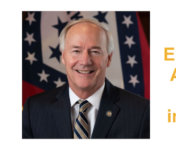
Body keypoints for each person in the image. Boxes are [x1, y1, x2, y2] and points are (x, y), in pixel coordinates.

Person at [22, 18, 150, 139]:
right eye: (76, 51)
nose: (85, 61)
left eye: (95, 51)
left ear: (109, 58)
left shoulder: (141, 112)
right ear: (63, 57)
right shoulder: (34, 109)